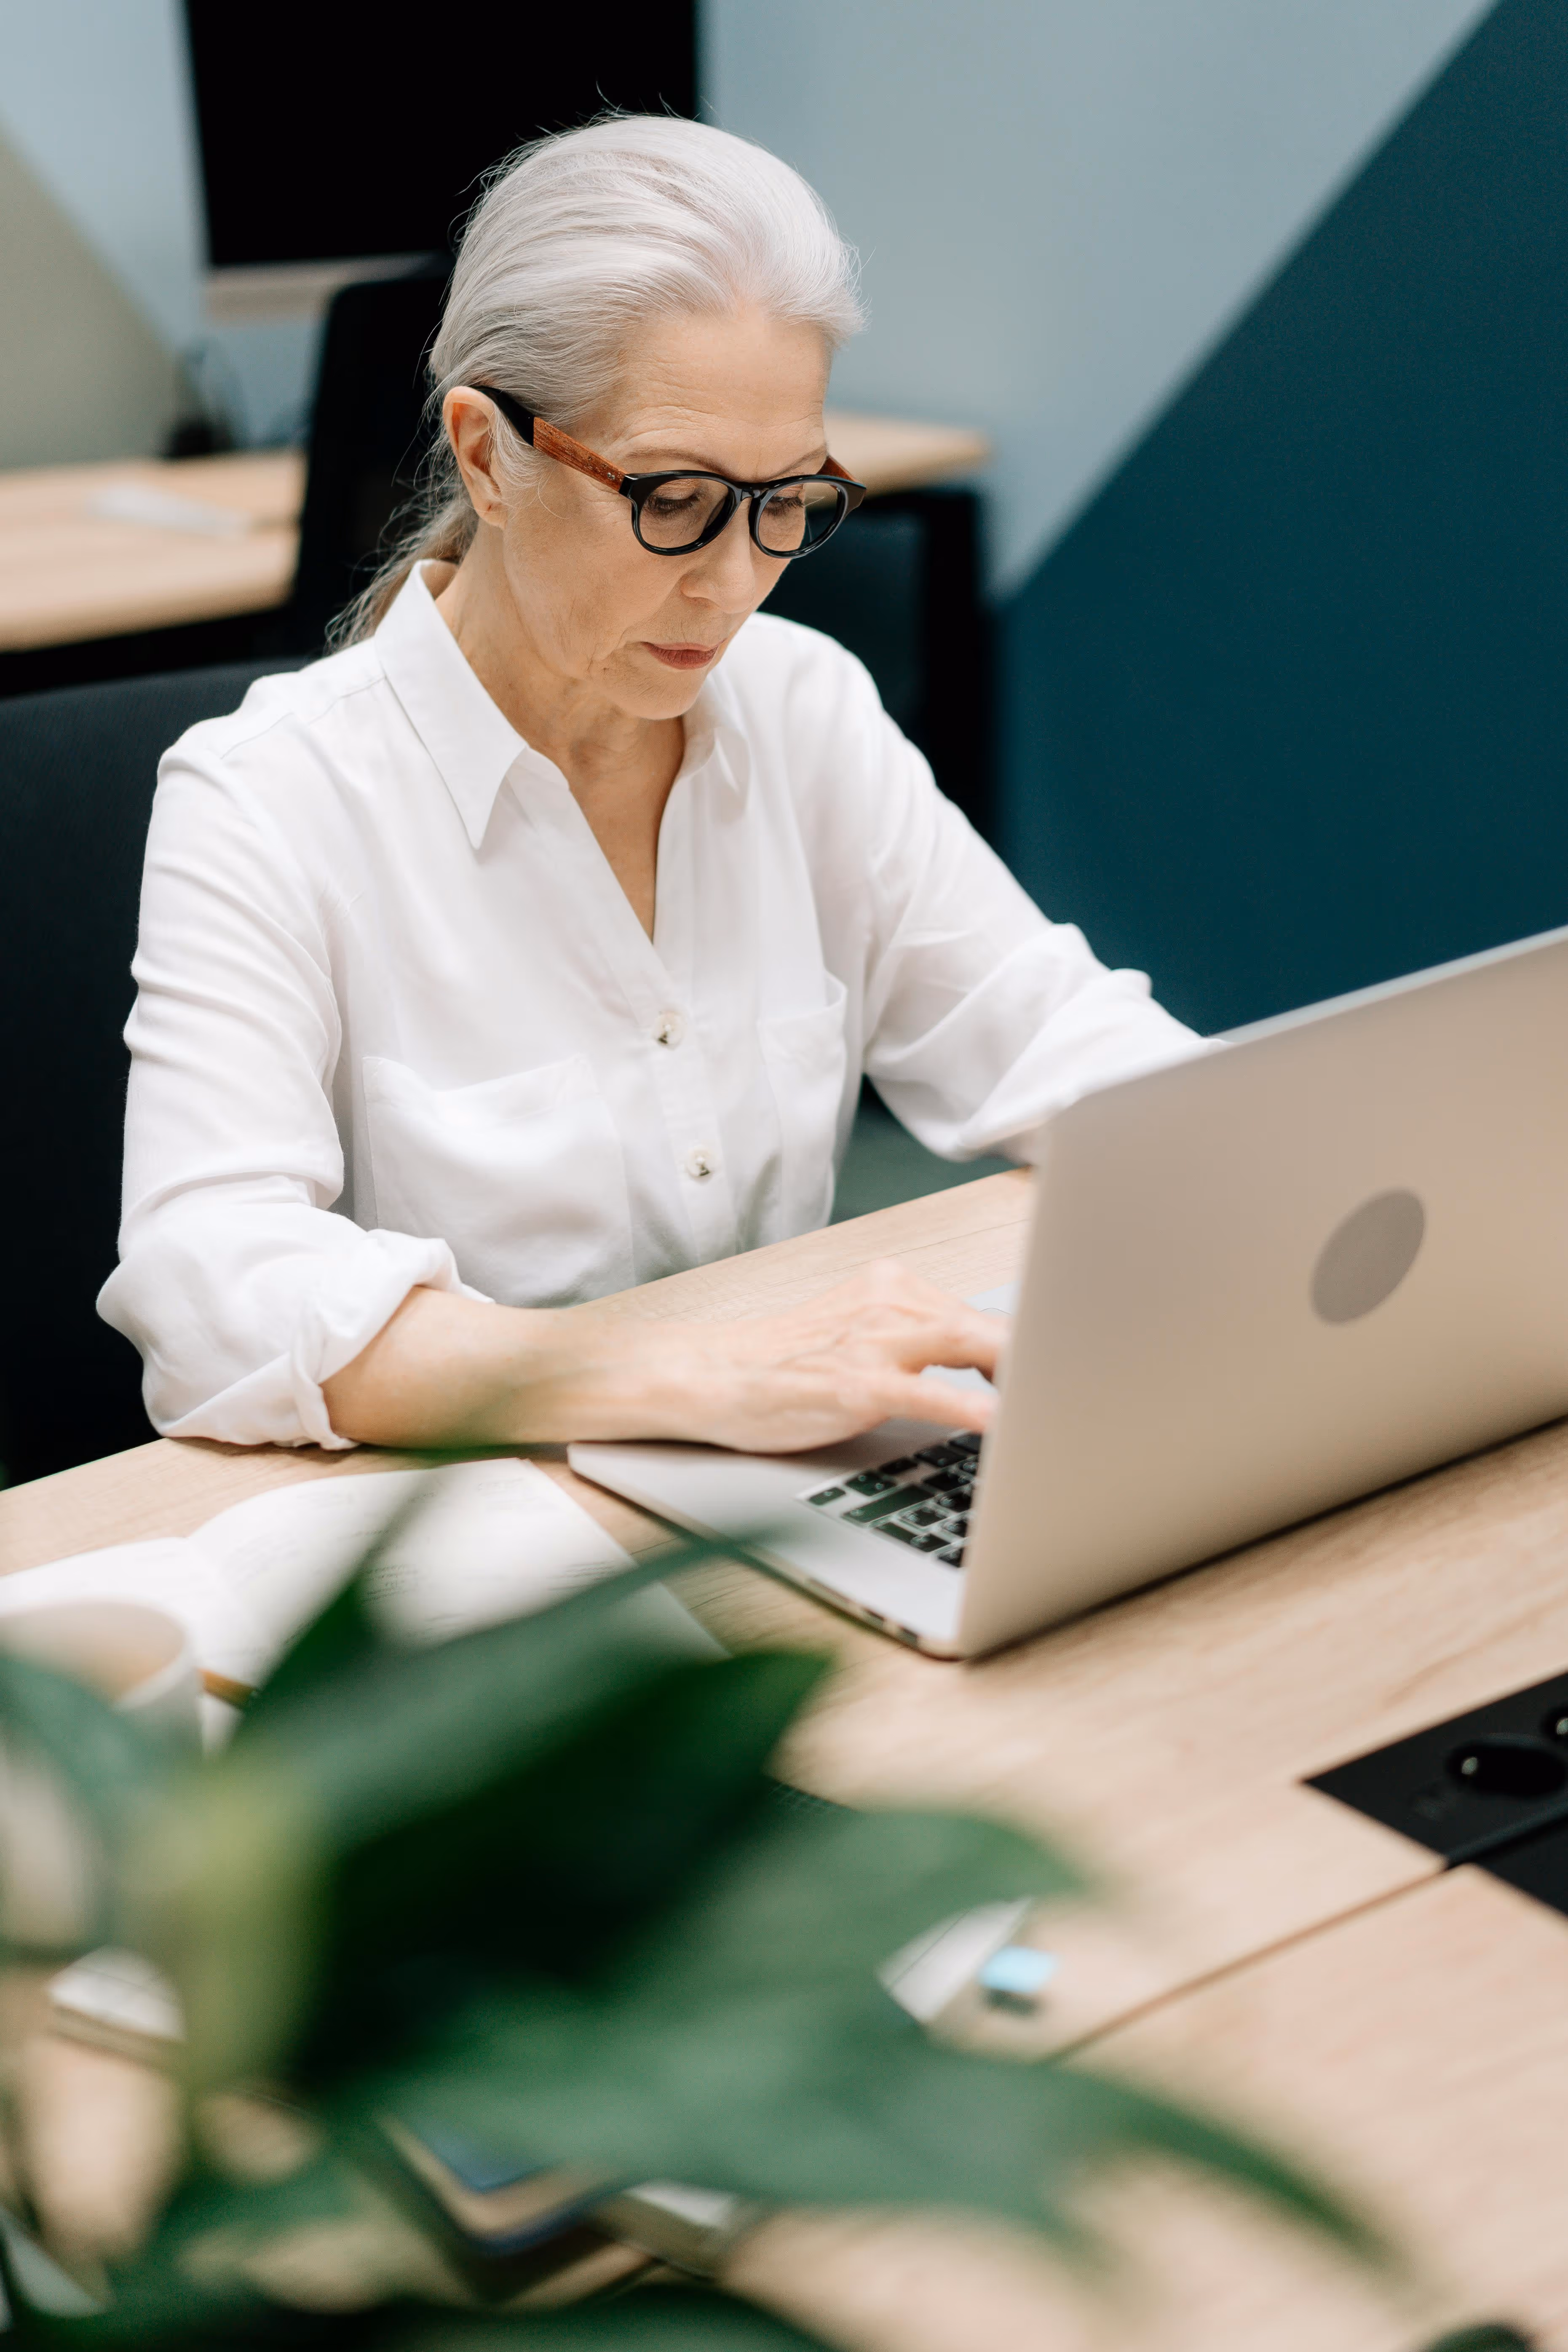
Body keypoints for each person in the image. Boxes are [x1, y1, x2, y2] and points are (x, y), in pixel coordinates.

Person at [99, 115, 1198, 1458]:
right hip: (482, 1560)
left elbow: (1054, 1037)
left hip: (783, 1475)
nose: (734, 582)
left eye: (786, 499)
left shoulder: (804, 710)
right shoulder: (269, 797)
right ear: (490, 453)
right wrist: (697, 1376)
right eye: (674, 498)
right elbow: (212, 1281)